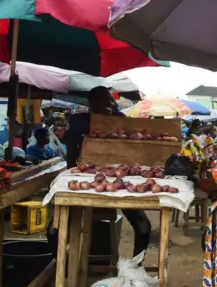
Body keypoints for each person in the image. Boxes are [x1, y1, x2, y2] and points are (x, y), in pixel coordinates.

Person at [63, 86, 153, 257]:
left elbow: (132, 149)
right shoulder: (78, 120)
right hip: (88, 181)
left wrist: (111, 117)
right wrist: (71, 173)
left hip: (119, 182)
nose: (110, 103)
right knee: (57, 228)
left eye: (110, 100)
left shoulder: (119, 119)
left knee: (143, 226)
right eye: (105, 100)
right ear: (91, 102)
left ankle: (135, 266)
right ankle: (64, 266)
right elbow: (70, 153)